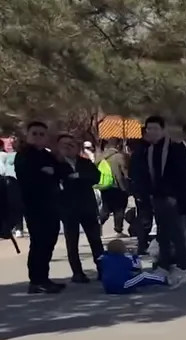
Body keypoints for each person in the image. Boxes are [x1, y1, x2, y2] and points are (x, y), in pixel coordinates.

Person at [147, 117, 186, 284]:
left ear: (163, 130)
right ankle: (164, 265)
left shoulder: (173, 149)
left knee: (177, 233)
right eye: (149, 129)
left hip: (173, 198)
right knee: (162, 233)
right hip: (157, 198)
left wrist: (176, 197)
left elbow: (183, 176)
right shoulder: (149, 150)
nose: (152, 132)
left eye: (155, 128)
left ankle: (182, 266)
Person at [14, 121, 64, 294]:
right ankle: (36, 281)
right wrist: (45, 172)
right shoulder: (23, 155)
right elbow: (29, 177)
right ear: (27, 136)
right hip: (34, 205)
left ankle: (44, 278)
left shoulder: (47, 155)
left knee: (49, 241)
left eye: (42, 134)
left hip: (51, 204)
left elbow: (60, 170)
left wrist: (51, 169)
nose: (38, 137)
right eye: (34, 133)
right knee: (39, 243)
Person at [54, 133, 106, 283]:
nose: (68, 148)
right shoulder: (57, 165)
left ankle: (102, 269)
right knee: (72, 241)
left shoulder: (85, 163)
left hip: (87, 206)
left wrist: (78, 176)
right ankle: (77, 272)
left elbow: (96, 177)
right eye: (64, 145)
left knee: (95, 240)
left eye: (71, 145)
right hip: (68, 208)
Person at [130, 122, 160, 255]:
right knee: (145, 217)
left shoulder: (152, 148)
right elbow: (137, 172)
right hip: (144, 190)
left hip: (151, 189)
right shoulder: (142, 150)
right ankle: (142, 244)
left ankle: (145, 242)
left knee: (149, 217)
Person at [99, 239, 169, 294]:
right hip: (122, 285)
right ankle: (165, 280)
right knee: (143, 276)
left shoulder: (104, 258)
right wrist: (134, 256)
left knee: (129, 276)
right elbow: (137, 267)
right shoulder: (125, 259)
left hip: (108, 288)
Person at [97, 138, 130, 237]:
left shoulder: (101, 157)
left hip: (105, 186)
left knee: (105, 208)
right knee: (119, 209)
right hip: (118, 186)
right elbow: (125, 171)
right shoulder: (119, 157)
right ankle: (118, 230)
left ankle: (97, 225)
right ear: (118, 145)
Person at [1, 136, 24, 238]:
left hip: (12, 182)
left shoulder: (10, 155)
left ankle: (17, 228)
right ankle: (16, 228)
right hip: (8, 183)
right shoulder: (4, 155)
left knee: (14, 206)